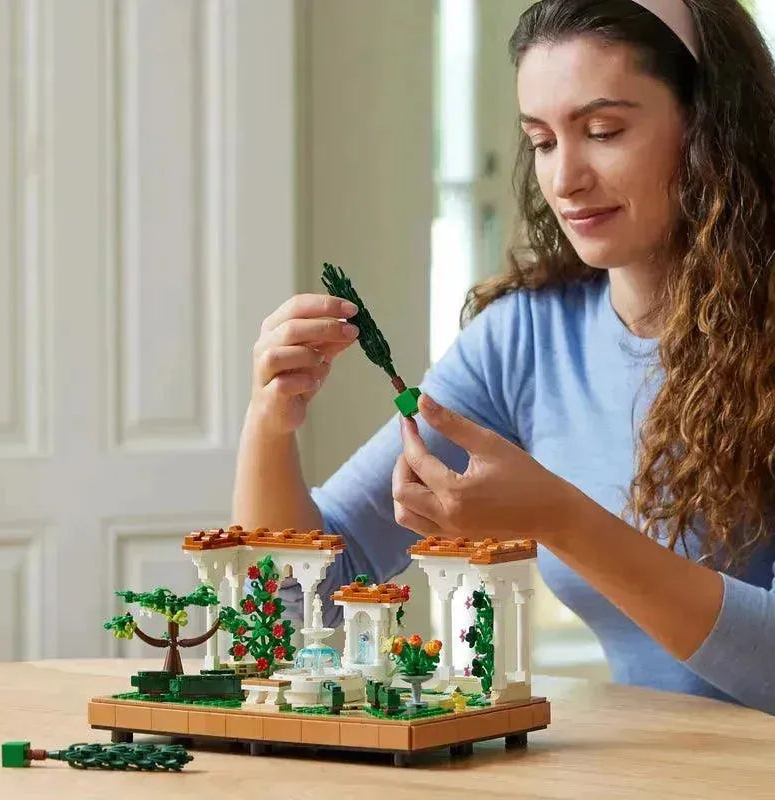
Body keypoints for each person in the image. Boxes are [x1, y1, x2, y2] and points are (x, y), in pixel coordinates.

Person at [234, 0, 775, 715]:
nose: (565, 179)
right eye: (542, 141)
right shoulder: (526, 339)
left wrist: (565, 521)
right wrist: (270, 424)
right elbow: (302, 601)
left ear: (709, 126)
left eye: (603, 132)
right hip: (644, 763)